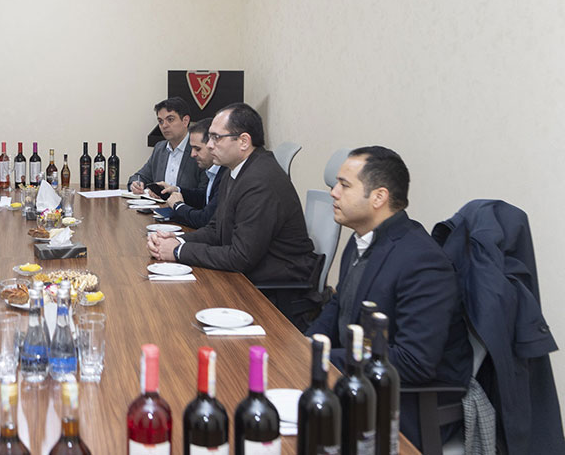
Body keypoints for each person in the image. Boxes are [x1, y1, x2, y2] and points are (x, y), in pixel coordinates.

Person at [307, 146, 471, 449]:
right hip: (357, 380)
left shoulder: (422, 262)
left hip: (407, 405)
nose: (333, 192)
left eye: (344, 185)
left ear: (378, 197)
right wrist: (307, 345)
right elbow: (339, 305)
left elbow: (414, 362)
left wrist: (324, 359)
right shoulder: (360, 238)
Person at [147, 103, 319, 326]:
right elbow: (216, 229)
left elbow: (240, 257)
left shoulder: (260, 181)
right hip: (249, 274)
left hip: (274, 288)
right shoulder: (235, 170)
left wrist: (178, 251)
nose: (209, 145)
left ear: (244, 141)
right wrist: (176, 240)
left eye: (216, 138)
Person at [128, 96, 208, 194]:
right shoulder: (160, 148)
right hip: (158, 203)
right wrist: (136, 184)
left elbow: (205, 193)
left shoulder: (198, 149)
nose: (164, 126)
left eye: (170, 119)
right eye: (160, 121)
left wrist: (178, 193)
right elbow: (140, 176)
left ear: (185, 121)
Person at [159, 117, 226, 229]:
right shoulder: (214, 171)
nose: (192, 154)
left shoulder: (225, 175)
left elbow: (205, 220)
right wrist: (177, 190)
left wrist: (178, 206)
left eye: (197, 149)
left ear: (213, 146)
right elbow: (204, 197)